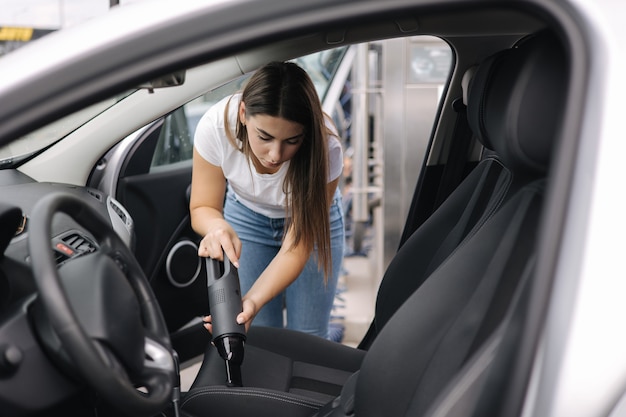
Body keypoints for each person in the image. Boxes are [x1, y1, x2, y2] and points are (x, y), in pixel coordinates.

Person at [189, 61, 345, 339]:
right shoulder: (215, 126)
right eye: (265, 136)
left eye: (292, 141)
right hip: (247, 216)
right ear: (243, 113)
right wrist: (217, 227)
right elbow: (203, 206)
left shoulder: (326, 146)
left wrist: (253, 300)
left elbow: (296, 246)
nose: (275, 154)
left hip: (310, 224)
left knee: (308, 335)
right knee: (260, 333)